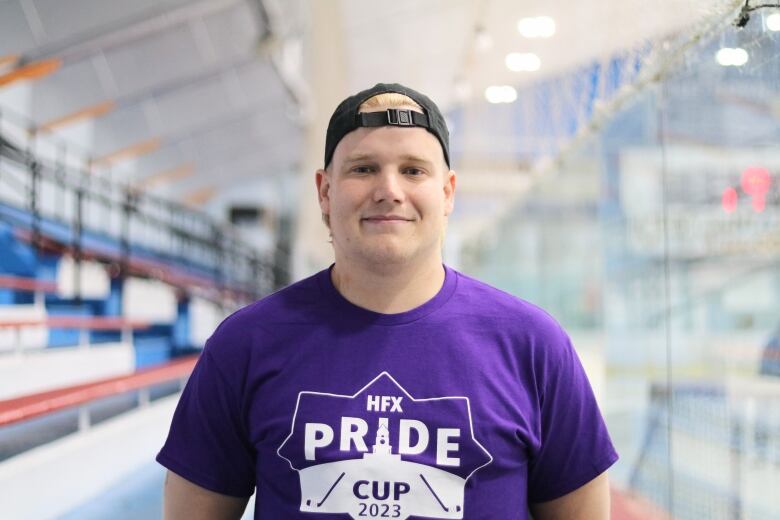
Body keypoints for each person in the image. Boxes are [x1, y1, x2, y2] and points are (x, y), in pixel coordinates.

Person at [157, 83, 618, 519]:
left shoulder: (532, 345)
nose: (389, 190)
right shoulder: (246, 344)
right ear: (324, 190)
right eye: (363, 169)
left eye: (413, 170)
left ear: (447, 191)